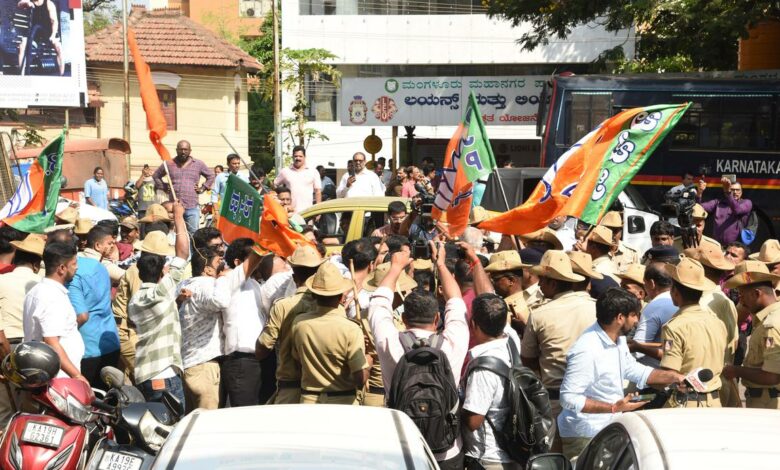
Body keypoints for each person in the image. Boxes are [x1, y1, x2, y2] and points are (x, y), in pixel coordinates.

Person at [369, 246, 468, 469]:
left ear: (403, 319)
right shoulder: (452, 343)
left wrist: (395, 268)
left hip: (401, 446)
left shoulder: (389, 342)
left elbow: (378, 303)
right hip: (446, 450)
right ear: (437, 318)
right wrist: (440, 264)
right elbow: (456, 300)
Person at [558, 288, 684, 459]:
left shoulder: (619, 340)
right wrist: (614, 408)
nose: (637, 321)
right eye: (634, 315)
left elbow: (632, 369)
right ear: (619, 318)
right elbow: (569, 398)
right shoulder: (586, 350)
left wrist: (673, 377)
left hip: (609, 428)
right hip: (584, 434)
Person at [521, 250, 595, 449]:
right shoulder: (596, 308)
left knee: (554, 457)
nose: (539, 285)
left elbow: (527, 360)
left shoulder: (539, 315)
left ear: (553, 283)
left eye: (542, 280)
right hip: (591, 402)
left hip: (555, 402)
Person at [128, 202, 190, 406]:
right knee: (171, 429)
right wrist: (179, 217)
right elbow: (183, 254)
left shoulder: (135, 300)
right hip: (164, 374)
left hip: (144, 373)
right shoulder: (163, 291)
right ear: (163, 270)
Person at [291, 262, 369, 405]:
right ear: (341, 298)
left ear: (313, 295)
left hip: (308, 402)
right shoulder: (351, 329)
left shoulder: (299, 323)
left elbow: (297, 360)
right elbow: (360, 378)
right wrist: (369, 360)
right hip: (343, 404)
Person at [461, 293, 521, 470]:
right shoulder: (512, 341)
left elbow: (474, 421)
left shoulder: (483, 368)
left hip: (490, 458)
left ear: (473, 324)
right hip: (514, 451)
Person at [256, 245, 322, 404]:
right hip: (323, 389)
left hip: (290, 387)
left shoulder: (282, 306)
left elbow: (263, 348)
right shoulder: (332, 305)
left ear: (293, 276)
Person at [660, 258, 728, 408]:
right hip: (714, 402)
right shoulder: (717, 322)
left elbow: (670, 374)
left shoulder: (674, 327)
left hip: (685, 403)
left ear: (675, 291)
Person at [683, 244, 740, 407]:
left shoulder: (711, 302)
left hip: (710, 384)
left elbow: (729, 344)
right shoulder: (721, 300)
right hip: (714, 381)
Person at [23, 241, 87, 384]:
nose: (77, 268)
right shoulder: (52, 296)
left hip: (50, 375)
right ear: (62, 268)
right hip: (57, 380)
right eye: (74, 263)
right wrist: (76, 376)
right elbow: (52, 342)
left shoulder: (38, 291)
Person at [178, 247, 230, 412]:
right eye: (217, 262)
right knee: (206, 425)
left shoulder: (183, 284)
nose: (222, 264)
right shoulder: (208, 284)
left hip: (186, 364)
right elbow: (221, 302)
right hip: (204, 366)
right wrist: (222, 279)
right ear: (207, 269)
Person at [723, 260, 780, 409]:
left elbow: (772, 376)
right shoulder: (768, 318)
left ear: (756, 294)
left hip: (768, 402)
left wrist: (735, 370)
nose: (741, 302)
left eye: (742, 296)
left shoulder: (771, 325)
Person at [70, 226, 121, 388]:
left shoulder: (75, 272)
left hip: (88, 346)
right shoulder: (102, 267)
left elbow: (81, 314)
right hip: (110, 340)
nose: (112, 246)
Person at [219, 238, 264, 407]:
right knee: (244, 417)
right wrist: (267, 239)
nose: (258, 263)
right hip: (241, 362)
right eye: (253, 259)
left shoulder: (255, 284)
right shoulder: (229, 280)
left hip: (256, 361)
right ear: (238, 262)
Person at [153, 140, 215, 234]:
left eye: (185, 149)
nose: (183, 152)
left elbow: (211, 176)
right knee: (176, 233)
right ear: (176, 150)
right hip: (174, 206)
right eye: (181, 149)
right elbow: (156, 176)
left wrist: (202, 188)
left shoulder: (198, 164)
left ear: (190, 150)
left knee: (193, 233)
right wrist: (164, 186)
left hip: (192, 206)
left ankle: (191, 249)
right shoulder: (168, 164)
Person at [0, 234, 44, 358]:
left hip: (6, 346)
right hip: (35, 348)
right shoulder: (43, 284)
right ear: (36, 264)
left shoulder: (1, 280)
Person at [629, 263, 678, 367]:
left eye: (644, 283)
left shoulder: (654, 307)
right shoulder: (681, 302)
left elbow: (637, 351)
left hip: (653, 372)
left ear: (651, 283)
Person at [484, 251, 531, 335]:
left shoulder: (503, 310)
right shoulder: (531, 300)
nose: (492, 282)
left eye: (495, 279)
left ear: (511, 281)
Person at [697, 176, 753, 246]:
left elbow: (737, 210)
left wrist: (729, 193)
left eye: (738, 190)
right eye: (732, 190)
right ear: (725, 190)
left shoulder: (747, 203)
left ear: (741, 191)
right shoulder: (717, 203)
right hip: (717, 246)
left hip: (735, 247)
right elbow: (698, 209)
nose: (735, 192)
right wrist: (699, 193)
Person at [274, 145, 322, 212]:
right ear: (292, 157)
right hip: (290, 212)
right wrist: (278, 198)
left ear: (305, 157)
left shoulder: (313, 172)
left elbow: (318, 192)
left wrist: (318, 211)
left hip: (308, 212)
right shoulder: (285, 171)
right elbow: (274, 184)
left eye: (300, 156)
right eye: (295, 156)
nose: (298, 158)